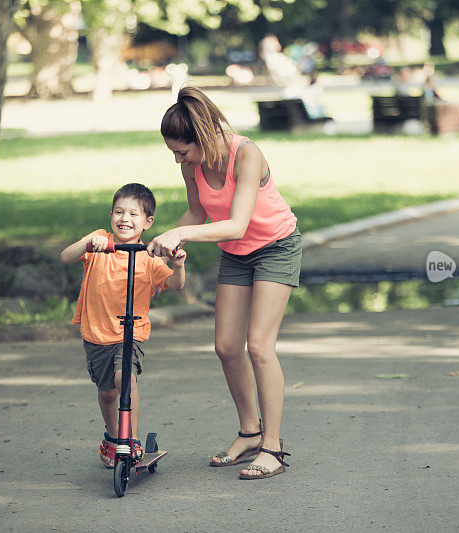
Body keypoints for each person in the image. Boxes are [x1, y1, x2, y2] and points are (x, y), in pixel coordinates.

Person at [148, 86, 301, 480]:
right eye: (173, 153)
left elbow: (237, 222)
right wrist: (162, 244)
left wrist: (178, 236)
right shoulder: (191, 166)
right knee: (226, 347)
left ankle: (273, 447)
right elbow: (197, 214)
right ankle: (250, 433)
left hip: (275, 247)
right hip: (236, 252)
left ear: (201, 136)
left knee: (260, 347)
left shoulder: (246, 154)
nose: (178, 159)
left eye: (182, 151)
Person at [60, 183, 186, 468]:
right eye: (119, 212)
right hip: (96, 334)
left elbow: (176, 286)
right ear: (111, 215)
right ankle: (113, 436)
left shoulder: (149, 257)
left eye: (133, 214)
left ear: (147, 222)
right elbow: (65, 256)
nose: (124, 219)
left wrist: (178, 265)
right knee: (106, 393)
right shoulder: (99, 242)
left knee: (124, 379)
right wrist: (89, 243)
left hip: (130, 334)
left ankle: (130, 439)